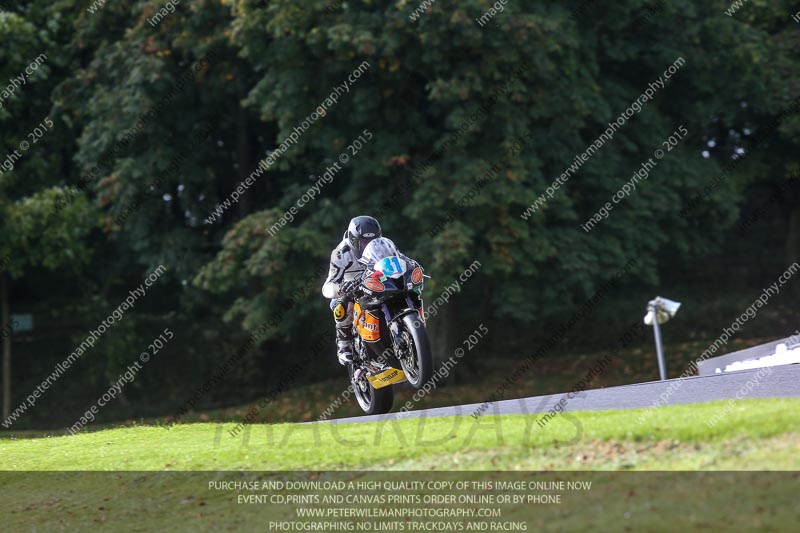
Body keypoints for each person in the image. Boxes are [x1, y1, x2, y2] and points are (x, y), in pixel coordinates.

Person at [321, 216, 417, 365]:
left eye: (372, 241)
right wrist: (341, 288)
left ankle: (409, 328)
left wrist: (411, 266)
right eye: (363, 242)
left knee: (407, 289)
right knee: (340, 307)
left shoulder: (384, 245)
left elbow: (400, 259)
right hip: (353, 288)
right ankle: (343, 345)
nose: (367, 246)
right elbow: (327, 287)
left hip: (379, 281)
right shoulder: (341, 254)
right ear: (353, 240)